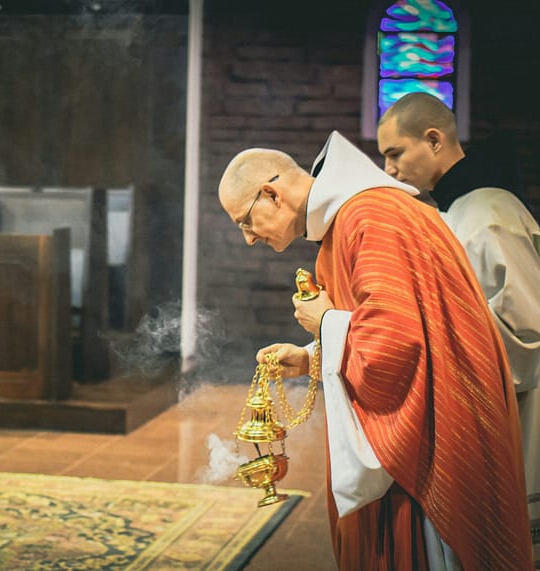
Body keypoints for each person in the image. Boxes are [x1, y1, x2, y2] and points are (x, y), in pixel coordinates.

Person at [217, 130, 532, 570]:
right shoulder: (349, 219)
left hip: (435, 431)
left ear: (270, 193)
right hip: (428, 408)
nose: (249, 238)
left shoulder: (369, 216)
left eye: (245, 221)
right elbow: (390, 322)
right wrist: (312, 355)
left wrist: (325, 324)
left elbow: (395, 346)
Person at [377, 92, 540, 539]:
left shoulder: (489, 214)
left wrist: (429, 331)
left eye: (395, 153)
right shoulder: (456, 211)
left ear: (433, 140)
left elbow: (526, 335)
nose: (389, 169)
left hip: (517, 413)